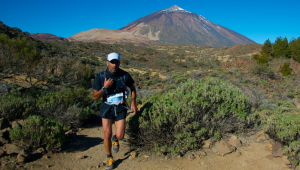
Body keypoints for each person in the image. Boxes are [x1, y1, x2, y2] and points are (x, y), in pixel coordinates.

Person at [93, 52, 137, 170]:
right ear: (107, 62)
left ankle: (115, 138)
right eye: (112, 62)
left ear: (119, 63)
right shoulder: (101, 77)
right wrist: (104, 87)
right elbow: (95, 97)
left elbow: (132, 87)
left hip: (121, 107)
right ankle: (109, 157)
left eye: (116, 62)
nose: (114, 65)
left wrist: (133, 102)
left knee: (120, 135)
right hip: (107, 107)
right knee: (106, 133)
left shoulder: (124, 75)